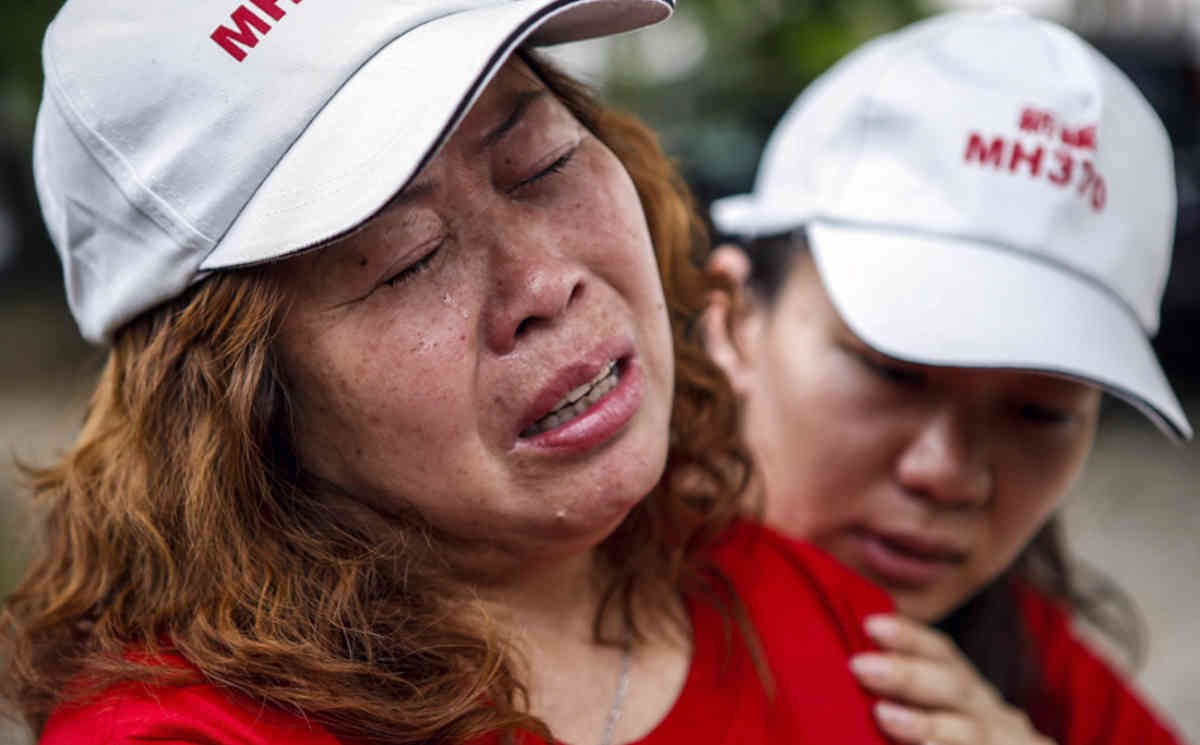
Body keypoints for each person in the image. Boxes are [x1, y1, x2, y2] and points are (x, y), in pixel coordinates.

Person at [0, 1, 900, 744]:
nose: (544, 283)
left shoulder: (841, 627)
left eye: (542, 163)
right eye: (408, 259)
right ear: (237, 401)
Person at [703, 10, 1192, 745]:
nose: (949, 473)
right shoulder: (548, 628)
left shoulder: (1036, 662)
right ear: (735, 319)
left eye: (1039, 412)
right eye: (891, 373)